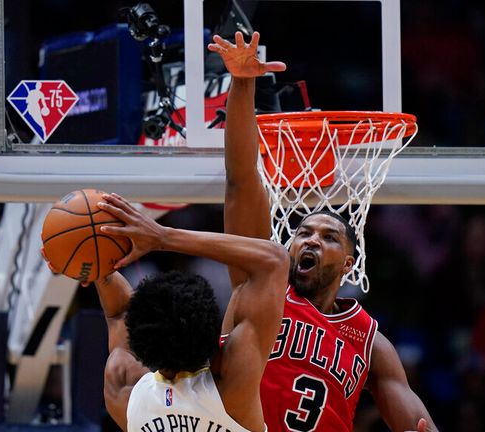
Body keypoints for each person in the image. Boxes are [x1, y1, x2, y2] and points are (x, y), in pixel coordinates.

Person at [207, 31, 436, 432]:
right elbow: (241, 180)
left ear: (350, 263)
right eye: (303, 231)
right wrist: (242, 84)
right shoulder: (259, 288)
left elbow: (415, 419)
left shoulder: (369, 341)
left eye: (329, 237)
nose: (311, 238)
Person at [43, 192, 289, 431]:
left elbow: (118, 313)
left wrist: (91, 262)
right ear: (213, 336)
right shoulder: (231, 389)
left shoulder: (125, 391)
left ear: (138, 342)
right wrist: (160, 236)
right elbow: (275, 258)